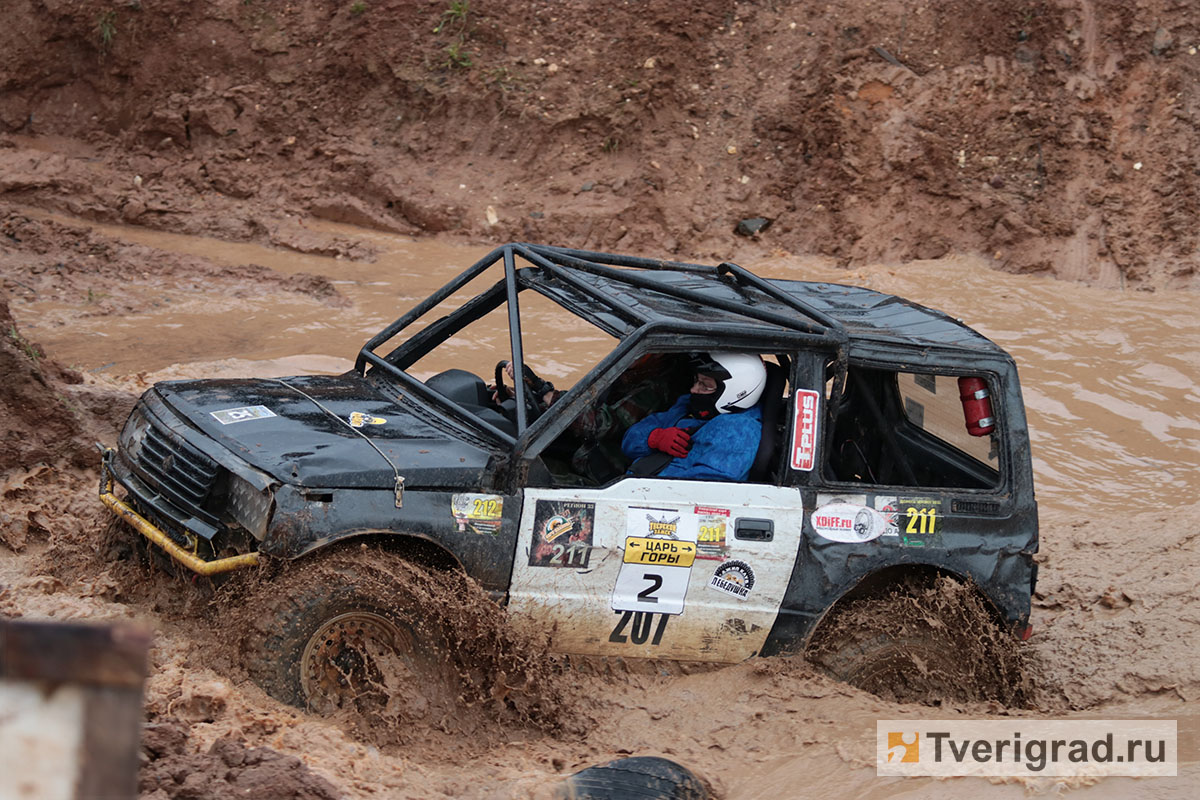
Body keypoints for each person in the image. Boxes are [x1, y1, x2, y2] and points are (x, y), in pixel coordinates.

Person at [621, 352, 767, 481]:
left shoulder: (739, 431)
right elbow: (629, 441)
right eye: (697, 381)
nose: (693, 389)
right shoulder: (687, 405)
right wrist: (653, 438)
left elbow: (704, 488)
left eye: (705, 385)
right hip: (635, 483)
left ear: (736, 390)